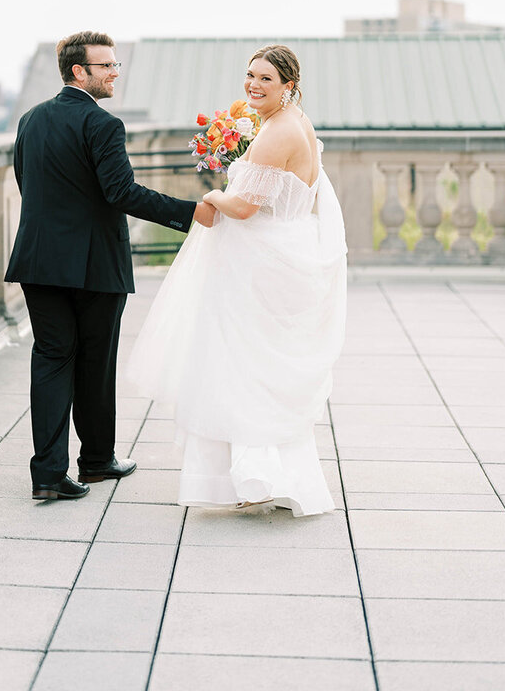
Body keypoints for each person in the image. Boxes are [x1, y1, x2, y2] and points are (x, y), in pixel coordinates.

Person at [127, 44, 347, 515]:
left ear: (289, 85)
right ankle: (272, 474)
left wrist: (213, 192)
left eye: (266, 78)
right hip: (287, 250)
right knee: (264, 368)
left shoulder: (276, 133)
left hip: (262, 262)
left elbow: (244, 208)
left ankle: (255, 476)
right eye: (250, 76)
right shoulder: (298, 123)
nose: (253, 85)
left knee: (244, 366)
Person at [5, 30, 216, 501]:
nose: (115, 73)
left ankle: (48, 474)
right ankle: (96, 461)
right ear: (80, 71)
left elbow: (28, 182)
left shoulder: (30, 120)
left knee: (52, 359)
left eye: (117, 65)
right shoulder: (103, 125)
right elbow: (120, 192)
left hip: (38, 260)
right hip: (95, 264)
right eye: (107, 67)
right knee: (96, 362)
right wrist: (189, 212)